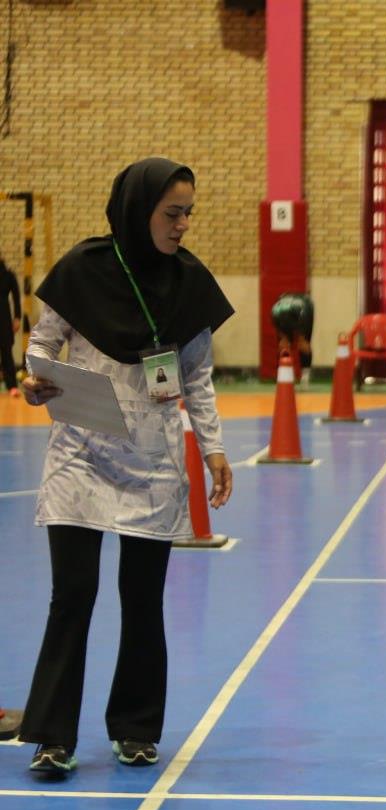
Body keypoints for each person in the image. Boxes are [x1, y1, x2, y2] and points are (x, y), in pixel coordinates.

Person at [18, 157, 235, 774]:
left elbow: (197, 377)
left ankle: (135, 727)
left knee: (142, 600)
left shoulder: (190, 282)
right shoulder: (83, 269)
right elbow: (43, 342)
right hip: (81, 456)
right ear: (140, 211)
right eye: (173, 213)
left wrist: (214, 449)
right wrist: (34, 379)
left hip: (153, 460)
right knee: (72, 595)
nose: (183, 224)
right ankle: (53, 737)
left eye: (189, 213)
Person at [270, 291, 316, 386]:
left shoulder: (304, 313)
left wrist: (302, 338)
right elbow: (283, 341)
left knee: (303, 343)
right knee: (284, 344)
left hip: (304, 309)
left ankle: (305, 376)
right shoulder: (275, 314)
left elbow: (303, 342)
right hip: (284, 313)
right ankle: (284, 373)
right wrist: (284, 339)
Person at [1, 252, 20, 397]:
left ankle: (12, 386)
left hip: (4, 317)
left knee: (7, 352)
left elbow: (16, 297)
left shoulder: (8, 275)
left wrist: (17, 317)